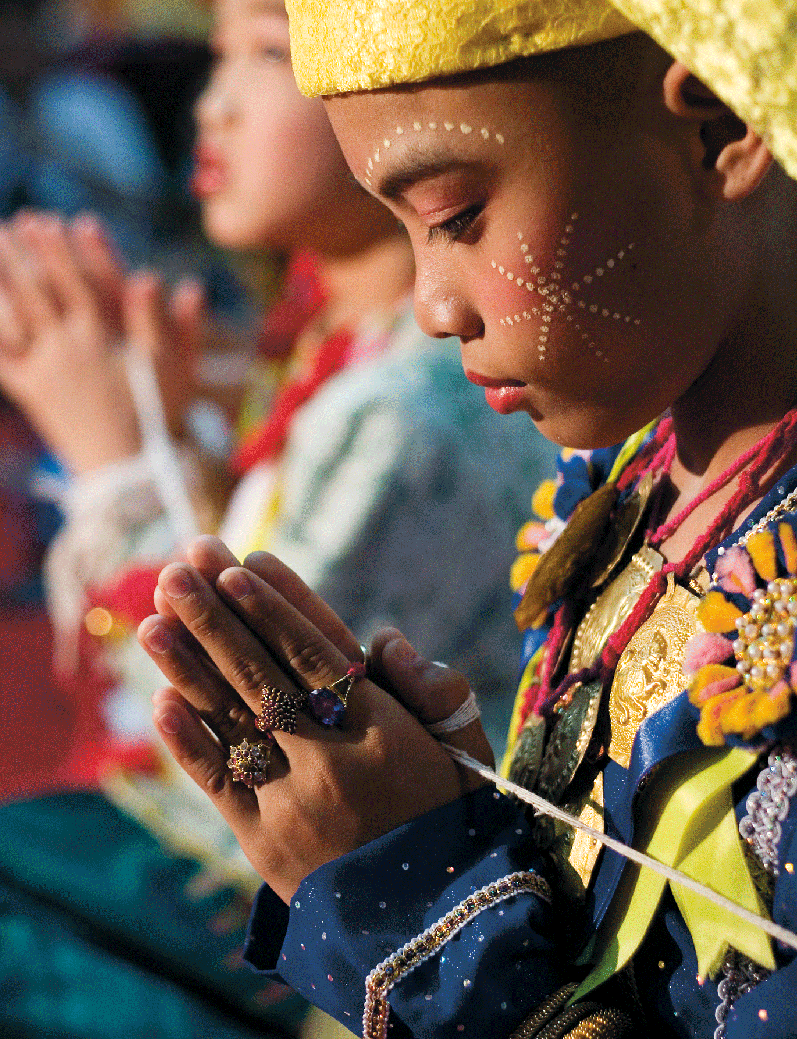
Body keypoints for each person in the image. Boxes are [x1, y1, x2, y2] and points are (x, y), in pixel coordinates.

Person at [133, 0, 797, 1036]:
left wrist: (416, 904)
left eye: (452, 215)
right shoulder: (637, 484)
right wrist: (448, 821)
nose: (429, 305)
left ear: (716, 127)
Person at [0, 1, 552, 1029]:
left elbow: (247, 737)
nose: (211, 107)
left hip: (341, 937)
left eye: (265, 52)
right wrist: (166, 448)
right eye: (217, 59)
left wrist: (117, 461)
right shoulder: (340, 350)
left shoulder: (412, 404)